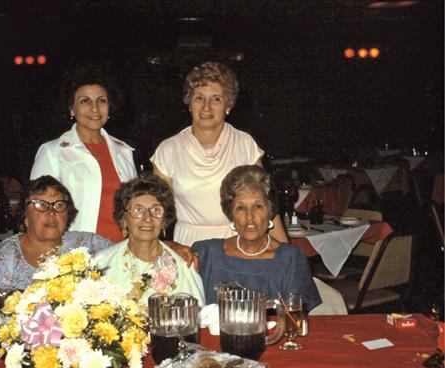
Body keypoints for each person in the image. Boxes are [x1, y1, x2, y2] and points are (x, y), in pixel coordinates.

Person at [151, 61, 288, 246]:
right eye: (199, 98)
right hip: (189, 246)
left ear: (228, 105)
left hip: (239, 242)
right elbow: (155, 216)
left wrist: (286, 253)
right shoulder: (167, 150)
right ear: (189, 103)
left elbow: (265, 206)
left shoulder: (245, 144)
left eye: (216, 98)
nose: (206, 107)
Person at [193, 165, 322, 312]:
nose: (249, 217)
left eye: (258, 206)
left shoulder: (290, 259)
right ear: (231, 214)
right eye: (240, 208)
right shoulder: (206, 253)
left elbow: (294, 321)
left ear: (270, 210)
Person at [30, 70, 137, 242]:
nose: (94, 108)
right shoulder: (53, 152)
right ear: (72, 109)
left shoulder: (124, 152)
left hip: (123, 252)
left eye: (101, 101)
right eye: (85, 101)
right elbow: (38, 212)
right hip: (77, 254)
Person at [0, 176, 112, 297]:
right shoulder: (8, 255)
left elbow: (128, 258)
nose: (51, 212)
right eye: (41, 205)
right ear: (25, 217)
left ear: (68, 215)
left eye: (59, 205)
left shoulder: (88, 244)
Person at [95, 174, 205, 306]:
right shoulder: (101, 264)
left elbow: (197, 318)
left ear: (164, 221)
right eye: (138, 210)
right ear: (124, 220)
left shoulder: (183, 265)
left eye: (156, 210)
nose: (148, 218)